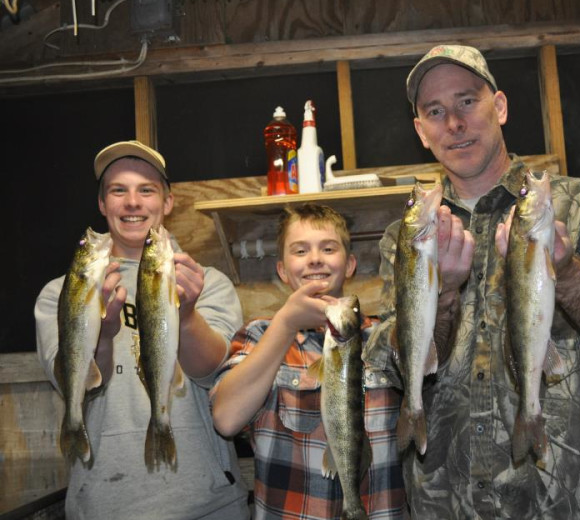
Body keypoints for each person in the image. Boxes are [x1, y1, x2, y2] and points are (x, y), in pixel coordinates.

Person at [363, 45, 580, 518]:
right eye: (435, 112)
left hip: (564, 504)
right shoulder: (405, 238)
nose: (454, 124)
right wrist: (442, 293)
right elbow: (396, 366)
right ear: (421, 132)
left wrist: (566, 273)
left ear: (500, 107)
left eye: (467, 101)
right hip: (446, 504)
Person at [34, 140, 250, 519]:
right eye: (119, 190)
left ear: (168, 202)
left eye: (146, 190)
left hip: (208, 506)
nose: (133, 202)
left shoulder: (207, 283)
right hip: (104, 507)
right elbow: (73, 381)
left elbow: (210, 372)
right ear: (103, 204)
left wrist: (185, 316)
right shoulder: (62, 292)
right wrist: (100, 335)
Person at [211, 204, 406, 520]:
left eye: (328, 248)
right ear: (282, 270)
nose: (315, 258)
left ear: (350, 264)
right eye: (300, 251)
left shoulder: (383, 338)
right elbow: (226, 419)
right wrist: (286, 323)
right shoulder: (260, 335)